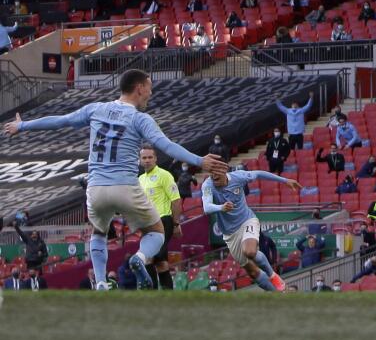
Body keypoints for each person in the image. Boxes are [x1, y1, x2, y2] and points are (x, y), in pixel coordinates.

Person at [2, 69, 227, 290]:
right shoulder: (140, 118)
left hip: (96, 188)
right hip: (125, 186)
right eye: (149, 88)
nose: (150, 93)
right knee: (157, 233)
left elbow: (61, 121)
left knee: (98, 234)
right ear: (139, 88)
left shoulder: (96, 109)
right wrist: (199, 160)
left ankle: (100, 282)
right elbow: (166, 145)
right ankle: (140, 257)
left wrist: (23, 125)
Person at [203, 167, 299, 292]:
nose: (213, 176)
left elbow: (259, 173)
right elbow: (206, 207)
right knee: (253, 272)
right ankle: (277, 294)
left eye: (216, 172)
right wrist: (221, 207)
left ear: (224, 170)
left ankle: (273, 275)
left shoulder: (239, 177)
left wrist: (284, 180)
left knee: (249, 251)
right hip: (230, 234)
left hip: (247, 221)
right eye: (211, 173)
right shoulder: (208, 185)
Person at [137, 146, 182, 289]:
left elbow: (176, 200)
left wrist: (176, 224)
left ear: (156, 158)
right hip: (147, 224)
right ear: (140, 160)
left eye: (150, 157)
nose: (147, 160)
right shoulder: (140, 179)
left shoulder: (164, 175)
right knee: (161, 262)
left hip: (163, 221)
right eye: (144, 158)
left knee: (149, 257)